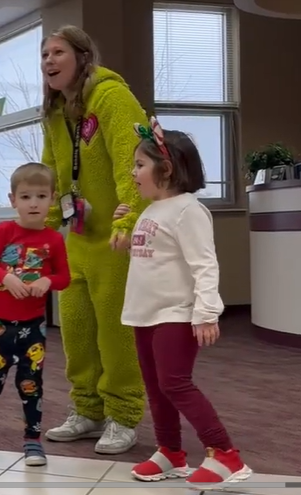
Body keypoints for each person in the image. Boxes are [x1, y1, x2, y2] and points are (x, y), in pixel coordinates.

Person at [115, 119, 251, 486]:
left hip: (176, 313)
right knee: (156, 387)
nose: (134, 172)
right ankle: (170, 453)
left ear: (167, 169)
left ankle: (226, 454)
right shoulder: (150, 210)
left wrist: (206, 313)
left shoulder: (188, 210)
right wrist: (127, 235)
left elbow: (204, 264)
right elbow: (153, 258)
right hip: (144, 313)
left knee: (175, 384)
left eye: (140, 165)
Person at [39, 25, 149, 454]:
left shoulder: (111, 97)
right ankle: (87, 410)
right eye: (44, 54)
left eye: (58, 52)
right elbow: (51, 171)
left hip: (116, 239)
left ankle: (123, 416)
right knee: (77, 331)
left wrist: (130, 219)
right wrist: (46, 228)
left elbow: (132, 160)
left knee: (116, 333)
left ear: (83, 56)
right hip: (78, 239)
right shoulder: (55, 111)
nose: (48, 61)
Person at [0, 163, 70, 465]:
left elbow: (64, 277)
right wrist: (4, 277)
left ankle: (32, 440)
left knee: (30, 384)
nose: (34, 203)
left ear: (52, 199)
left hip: (32, 328)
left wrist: (48, 280)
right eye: (26, 197)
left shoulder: (54, 239)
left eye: (41, 196)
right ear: (13, 200)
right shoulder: (5, 230)